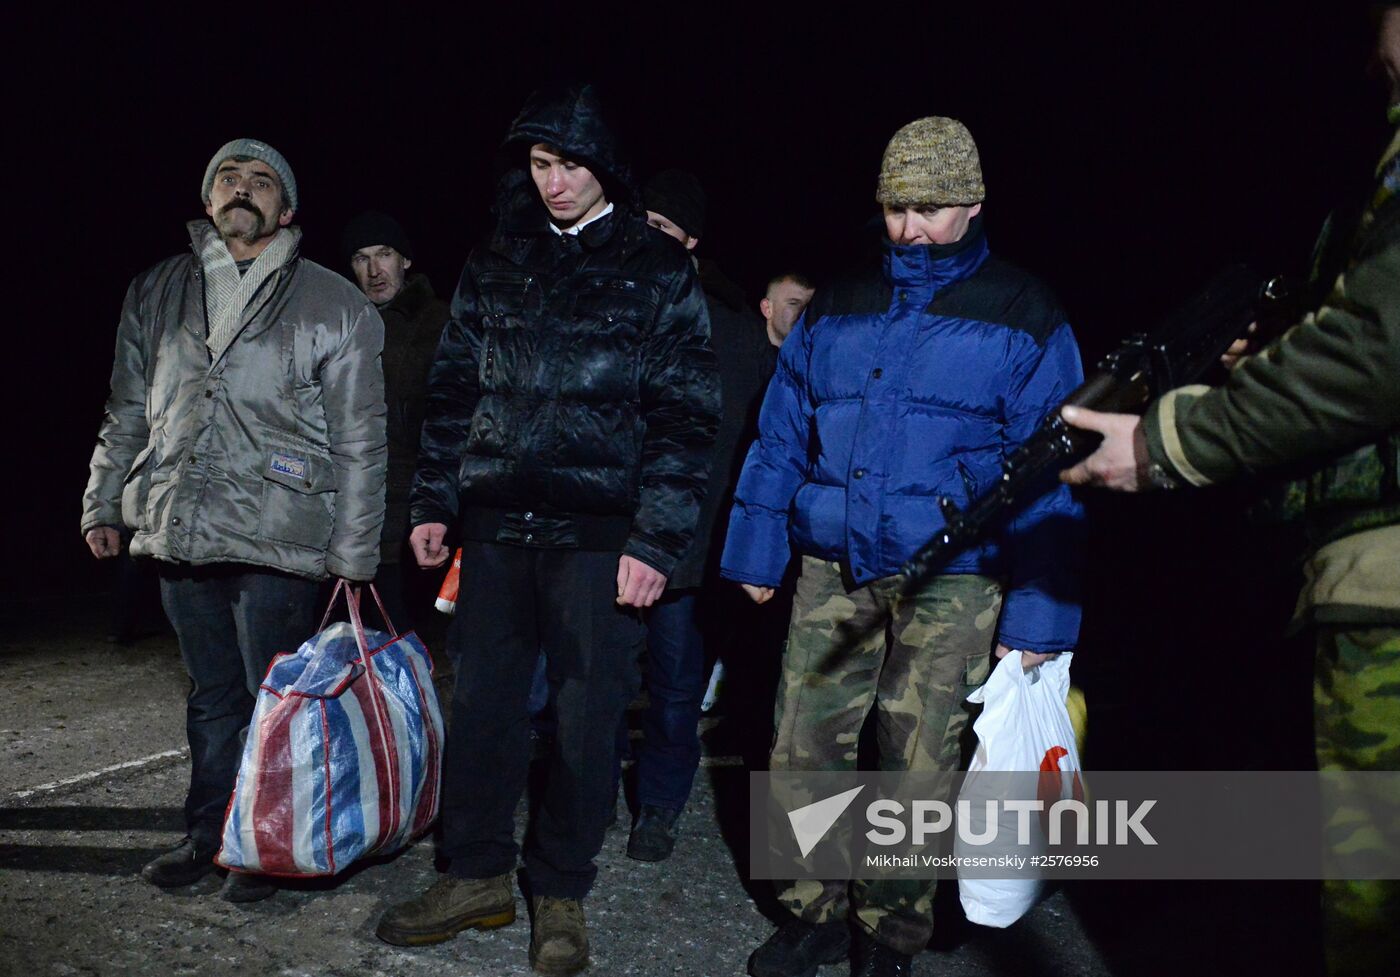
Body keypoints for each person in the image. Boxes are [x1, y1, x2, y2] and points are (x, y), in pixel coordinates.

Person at [1060, 10, 1398, 973]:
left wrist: (1170, 438)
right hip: (1329, 563)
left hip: (1381, 577)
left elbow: (1375, 348)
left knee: (1372, 897)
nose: (1378, 70)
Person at [722, 116, 1084, 977]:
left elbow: (1052, 473)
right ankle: (812, 908)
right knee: (802, 739)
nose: (909, 228)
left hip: (956, 576)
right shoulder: (839, 302)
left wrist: (1038, 610)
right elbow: (781, 434)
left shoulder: (1023, 312)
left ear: (974, 202)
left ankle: (886, 930)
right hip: (833, 562)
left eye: (929, 208)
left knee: (917, 760)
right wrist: (755, 548)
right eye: (895, 207)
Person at [376, 85, 719, 976]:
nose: (554, 182)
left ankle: (560, 886)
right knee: (483, 707)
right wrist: (433, 504)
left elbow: (686, 421)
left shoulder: (656, 269)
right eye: (539, 164)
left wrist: (655, 542)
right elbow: (455, 394)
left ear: (603, 167)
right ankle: (477, 871)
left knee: (585, 718)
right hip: (494, 530)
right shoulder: (497, 258)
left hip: (599, 538)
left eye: (569, 165)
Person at [80, 138, 386, 904]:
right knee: (212, 693)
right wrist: (103, 498)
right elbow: (126, 407)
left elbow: (360, 438)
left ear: (287, 209)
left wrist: (354, 549)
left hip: (281, 533)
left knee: (273, 700)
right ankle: (208, 834)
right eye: (227, 176)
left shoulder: (333, 300)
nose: (241, 188)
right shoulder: (155, 288)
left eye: (260, 180)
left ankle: (269, 847)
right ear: (208, 197)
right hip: (181, 524)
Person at [625, 169, 772, 861]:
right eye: (638, 224)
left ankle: (657, 807)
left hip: (688, 553)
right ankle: (583, 799)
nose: (643, 239)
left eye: (660, 228)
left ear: (689, 242)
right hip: (604, 543)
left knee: (676, 692)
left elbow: (745, 449)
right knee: (581, 685)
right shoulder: (605, 307)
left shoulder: (735, 332)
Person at [342, 211, 449, 632]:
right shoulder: (344, 321)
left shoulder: (440, 321)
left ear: (405, 260)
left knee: (405, 626)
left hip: (416, 502)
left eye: (384, 254)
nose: (374, 270)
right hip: (354, 496)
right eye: (360, 258)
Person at [760, 272, 815, 348]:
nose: (804, 312)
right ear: (767, 309)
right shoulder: (744, 353)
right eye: (793, 303)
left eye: (809, 305)